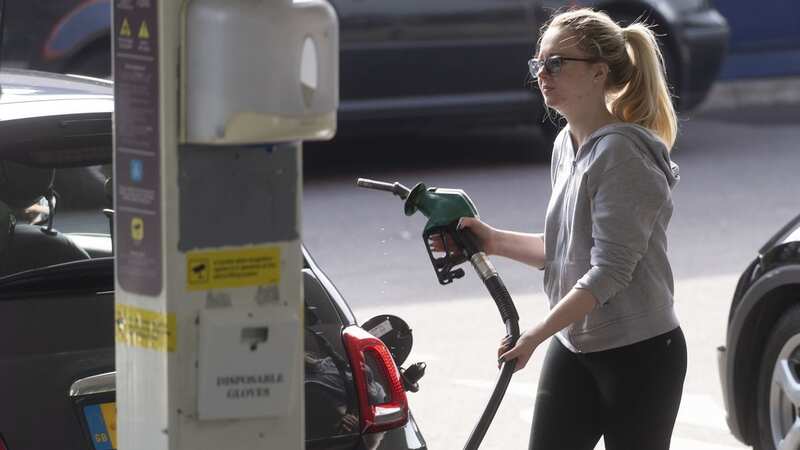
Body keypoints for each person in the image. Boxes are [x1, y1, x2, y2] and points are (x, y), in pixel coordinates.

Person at [452, 7, 686, 450]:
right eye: (539, 63)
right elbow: (562, 252)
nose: (543, 73)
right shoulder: (566, 143)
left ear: (599, 73)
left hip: (641, 353)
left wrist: (534, 336)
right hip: (576, 344)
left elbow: (609, 272)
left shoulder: (621, 154)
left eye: (557, 62)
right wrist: (491, 239)